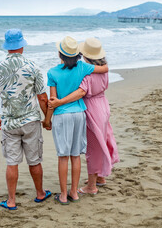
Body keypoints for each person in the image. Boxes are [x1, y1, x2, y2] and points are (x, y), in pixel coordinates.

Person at [0, 29, 52, 210]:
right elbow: (42, 97)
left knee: (12, 162)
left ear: (7, 47)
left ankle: (11, 201)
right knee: (34, 160)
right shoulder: (33, 66)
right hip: (31, 121)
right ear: (22, 45)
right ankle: (40, 193)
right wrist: (47, 119)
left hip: (9, 123)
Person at [48, 37, 119, 195]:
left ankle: (91, 186)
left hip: (92, 108)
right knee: (103, 140)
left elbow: (81, 92)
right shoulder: (101, 68)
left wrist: (59, 102)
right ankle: (100, 177)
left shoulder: (87, 72)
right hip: (103, 105)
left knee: (92, 148)